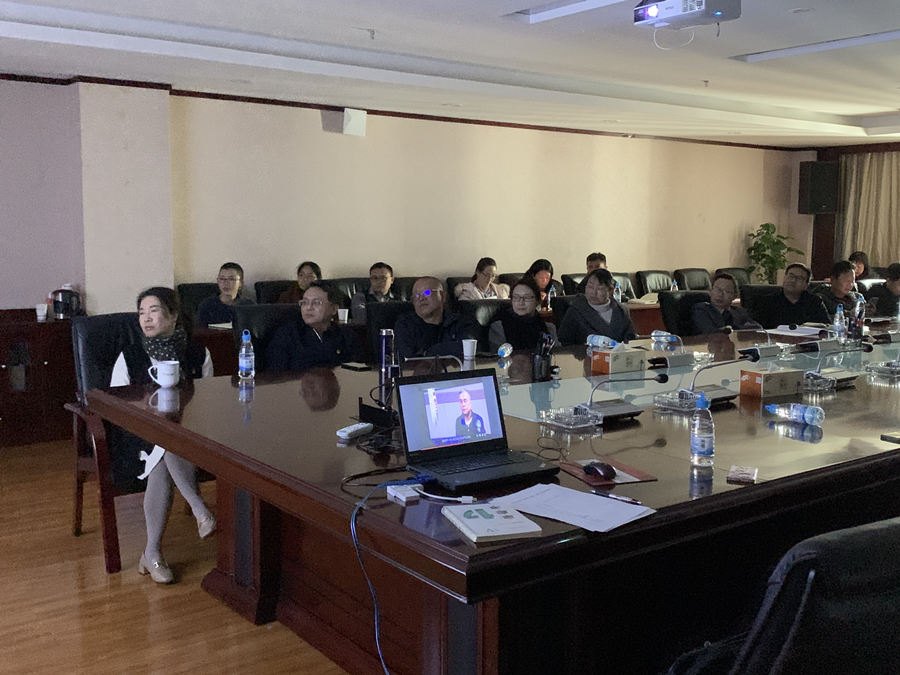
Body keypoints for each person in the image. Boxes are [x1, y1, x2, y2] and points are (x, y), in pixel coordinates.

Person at [110, 287, 215, 584]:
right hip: (136, 438)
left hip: (189, 435)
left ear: (173, 316)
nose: (146, 318)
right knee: (165, 445)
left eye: (153, 311)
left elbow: (209, 399)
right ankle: (199, 509)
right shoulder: (130, 355)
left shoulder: (197, 353)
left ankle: (152, 553)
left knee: (169, 442)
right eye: (141, 313)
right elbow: (116, 405)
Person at [267, 281, 363, 371]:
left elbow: (358, 372)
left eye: (316, 303)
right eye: (304, 302)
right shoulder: (286, 335)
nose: (308, 308)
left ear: (334, 309)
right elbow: (276, 376)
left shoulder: (347, 336)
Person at [393, 277, 480, 362]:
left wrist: (428, 352)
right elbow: (406, 359)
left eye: (426, 292)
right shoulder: (405, 324)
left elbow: (468, 348)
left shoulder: (460, 322)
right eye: (416, 296)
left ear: (443, 296)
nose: (421, 298)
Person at [558, 268, 636, 345]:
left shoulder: (621, 311)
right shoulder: (576, 310)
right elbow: (564, 341)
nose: (593, 292)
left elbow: (630, 339)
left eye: (599, 289)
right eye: (590, 287)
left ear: (610, 290)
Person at [488, 277, 556, 352]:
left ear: (537, 301)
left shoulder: (549, 328)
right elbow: (499, 357)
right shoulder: (499, 327)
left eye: (527, 297)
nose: (521, 303)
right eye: (516, 297)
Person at [751, 263, 829, 328]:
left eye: (799, 278)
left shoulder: (814, 302)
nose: (793, 280)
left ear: (806, 285)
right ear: (784, 278)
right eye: (791, 276)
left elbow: (826, 327)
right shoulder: (767, 302)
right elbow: (757, 329)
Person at [691, 273, 761, 335]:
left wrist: (729, 330)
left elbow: (758, 328)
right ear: (710, 291)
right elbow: (710, 333)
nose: (720, 295)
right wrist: (741, 329)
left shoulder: (739, 312)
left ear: (734, 296)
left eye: (726, 291)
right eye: (717, 289)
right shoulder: (701, 310)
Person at [196, 262, 254, 327]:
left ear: (241, 283)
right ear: (218, 281)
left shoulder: (249, 306)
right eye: (222, 279)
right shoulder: (206, 306)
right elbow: (200, 331)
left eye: (231, 279)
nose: (226, 283)